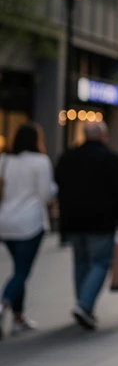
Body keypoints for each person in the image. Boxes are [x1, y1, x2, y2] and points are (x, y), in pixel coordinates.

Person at [55, 121, 118, 330]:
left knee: (80, 263)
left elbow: (58, 183)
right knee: (100, 262)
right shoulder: (110, 158)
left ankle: (83, 306)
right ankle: (84, 305)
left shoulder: (68, 157)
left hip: (72, 220)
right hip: (100, 221)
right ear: (103, 136)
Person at [0, 123, 57, 336]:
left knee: (18, 269)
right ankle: (4, 304)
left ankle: (18, 317)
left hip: (5, 222)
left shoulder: (4, 160)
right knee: (22, 272)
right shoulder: (40, 162)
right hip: (29, 224)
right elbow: (45, 194)